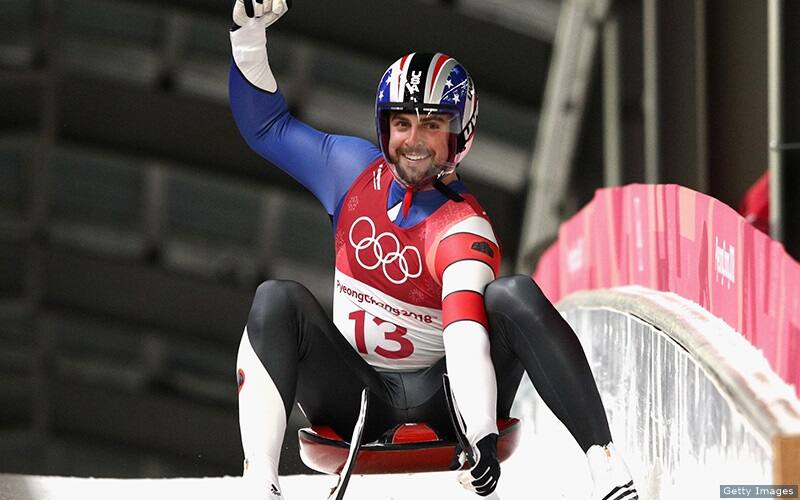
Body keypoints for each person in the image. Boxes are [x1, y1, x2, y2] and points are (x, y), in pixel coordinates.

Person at [229, 1, 639, 499]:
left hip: (445, 399)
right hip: (354, 391)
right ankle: (259, 486)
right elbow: (268, 129)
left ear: (458, 136)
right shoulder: (348, 169)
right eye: (402, 124)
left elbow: (466, 332)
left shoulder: (464, 225)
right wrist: (248, 39)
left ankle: (607, 465)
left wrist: (482, 435)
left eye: (431, 125)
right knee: (276, 298)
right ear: (384, 129)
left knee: (513, 295)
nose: (414, 141)